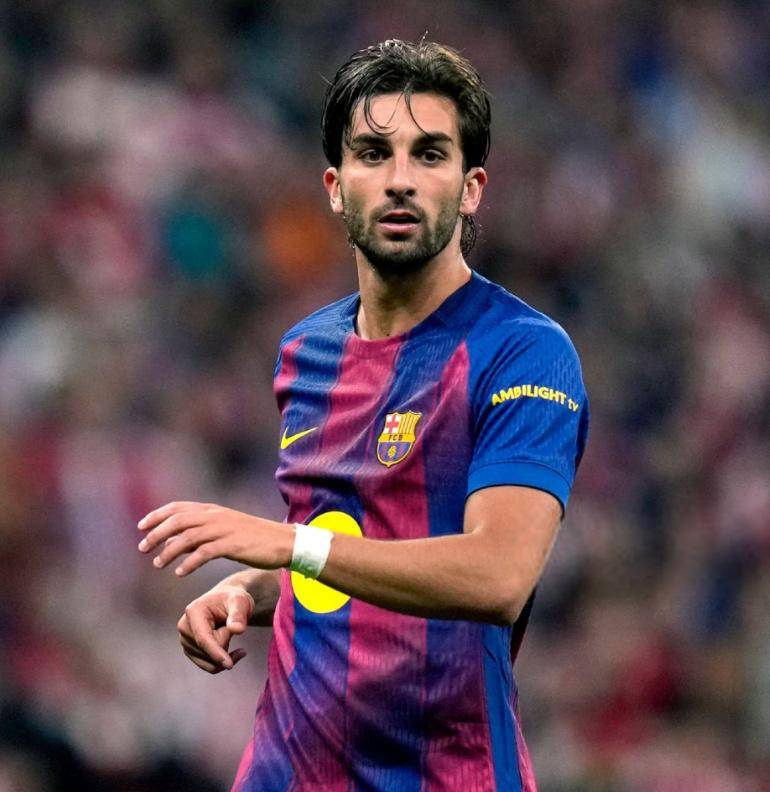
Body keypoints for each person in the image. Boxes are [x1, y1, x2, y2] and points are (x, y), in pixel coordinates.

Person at [138, 38, 589, 792]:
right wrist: (246, 591)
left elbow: (499, 574)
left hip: (444, 771)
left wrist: (287, 544)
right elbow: (342, 550)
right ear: (335, 187)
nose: (400, 179)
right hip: (287, 769)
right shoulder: (304, 352)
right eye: (373, 154)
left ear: (471, 189)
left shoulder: (524, 352)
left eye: (430, 154)